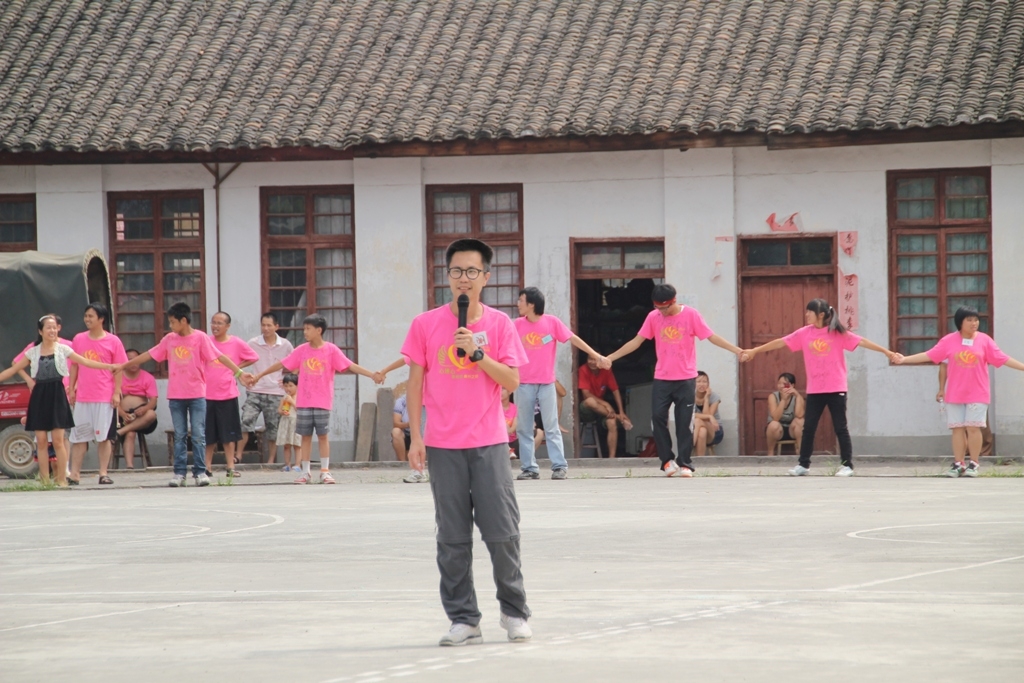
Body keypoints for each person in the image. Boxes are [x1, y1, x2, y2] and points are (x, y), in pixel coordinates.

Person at [400, 237, 532, 646]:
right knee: (452, 537)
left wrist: (477, 353)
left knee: (502, 531)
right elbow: (415, 383)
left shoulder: (500, 324)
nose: (463, 278)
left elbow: (512, 380)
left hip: (488, 441)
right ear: (447, 275)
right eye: (456, 271)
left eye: (472, 271)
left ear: (486, 277)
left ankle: (514, 612)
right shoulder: (425, 324)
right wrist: (416, 437)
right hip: (442, 444)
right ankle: (463, 618)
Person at [743, 298, 898, 477]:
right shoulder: (804, 333)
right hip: (815, 389)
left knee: (840, 427)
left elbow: (862, 342)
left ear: (821, 314)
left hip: (836, 388)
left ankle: (847, 465)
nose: (806, 314)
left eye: (810, 311)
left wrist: (886, 352)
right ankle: (803, 465)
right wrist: (754, 351)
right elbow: (780, 342)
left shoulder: (837, 333)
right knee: (808, 428)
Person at [606, 283, 743, 477]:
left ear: (674, 301)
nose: (661, 312)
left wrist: (737, 350)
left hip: (686, 379)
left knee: (684, 422)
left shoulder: (691, 315)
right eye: (658, 307)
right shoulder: (653, 317)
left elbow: (711, 337)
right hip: (662, 378)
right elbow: (636, 342)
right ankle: (667, 461)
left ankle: (685, 463)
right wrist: (611, 358)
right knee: (657, 418)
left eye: (665, 307)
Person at [121, 302, 247, 487]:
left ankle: (200, 472)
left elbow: (220, 356)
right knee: (180, 435)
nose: (170, 326)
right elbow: (149, 354)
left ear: (184, 321)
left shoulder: (200, 338)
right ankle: (179, 473)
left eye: (173, 322)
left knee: (198, 434)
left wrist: (239, 372)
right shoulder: (169, 339)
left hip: (197, 395)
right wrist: (122, 366)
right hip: (176, 396)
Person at [243, 313, 375, 484]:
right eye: (304, 328)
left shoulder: (331, 350)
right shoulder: (302, 350)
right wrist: (260, 375)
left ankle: (325, 471)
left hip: (322, 401)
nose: (305, 332)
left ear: (319, 330)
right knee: (305, 437)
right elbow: (282, 364)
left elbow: (349, 365)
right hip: (303, 402)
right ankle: (305, 472)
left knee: (323, 436)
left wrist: (372, 374)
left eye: (308, 329)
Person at [895, 306, 1024, 477]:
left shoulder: (984, 340)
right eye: (969, 320)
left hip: (978, 392)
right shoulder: (949, 341)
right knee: (957, 429)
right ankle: (958, 464)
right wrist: (904, 359)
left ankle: (974, 463)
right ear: (960, 322)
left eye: (976, 320)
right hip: (955, 393)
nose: (974, 323)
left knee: (973, 428)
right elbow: (930, 355)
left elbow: (1003, 358)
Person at [0, 314, 118, 487]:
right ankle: (45, 480)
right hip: (39, 395)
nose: (52, 330)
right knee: (41, 440)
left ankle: (62, 480)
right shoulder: (33, 352)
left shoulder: (63, 349)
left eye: (54, 327)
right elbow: (13, 369)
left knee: (58, 440)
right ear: (40, 331)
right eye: (48, 327)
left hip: (57, 394)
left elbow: (85, 361)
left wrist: (108, 366)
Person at [513, 287, 606, 480]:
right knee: (524, 427)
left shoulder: (552, 322)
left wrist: (595, 355)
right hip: (523, 384)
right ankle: (529, 468)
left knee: (551, 426)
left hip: (547, 384)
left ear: (531, 304)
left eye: (521, 300)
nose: (518, 304)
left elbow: (573, 339)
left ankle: (559, 466)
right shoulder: (516, 325)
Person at [66, 303, 128, 485]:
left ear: (101, 319)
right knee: (79, 436)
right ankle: (75, 474)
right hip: (83, 396)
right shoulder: (79, 339)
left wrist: (116, 392)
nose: (87, 319)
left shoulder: (113, 341)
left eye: (91, 316)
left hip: (104, 396)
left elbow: (119, 368)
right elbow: (74, 366)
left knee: (104, 437)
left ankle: (103, 473)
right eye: (86, 316)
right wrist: (72, 388)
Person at [201, 312, 258, 478]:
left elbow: (253, 357)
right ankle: (206, 467)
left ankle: (230, 467)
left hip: (227, 393)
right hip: (206, 394)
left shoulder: (236, 342)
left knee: (229, 434)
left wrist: (237, 368)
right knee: (208, 434)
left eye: (219, 323)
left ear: (228, 326)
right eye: (213, 322)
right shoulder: (206, 341)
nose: (215, 326)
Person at [239, 312, 294, 464]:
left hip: (276, 392)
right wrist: (241, 376)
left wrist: (287, 380)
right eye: (263, 325)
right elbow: (239, 361)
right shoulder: (253, 343)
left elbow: (295, 363)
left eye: (269, 325)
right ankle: (238, 456)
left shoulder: (285, 345)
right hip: (255, 390)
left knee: (273, 427)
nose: (266, 328)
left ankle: (271, 460)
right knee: (246, 421)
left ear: (276, 326)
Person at [577, 354, 630, 458]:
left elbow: (615, 390)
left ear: (601, 361)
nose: (592, 362)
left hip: (602, 410)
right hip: (588, 410)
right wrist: (607, 404)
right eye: (590, 359)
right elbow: (586, 394)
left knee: (612, 422)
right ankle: (618, 417)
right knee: (590, 401)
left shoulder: (606, 370)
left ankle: (611, 459)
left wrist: (621, 411)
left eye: (595, 359)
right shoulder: (583, 369)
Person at [938, 363, 993, 456]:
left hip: (977, 393)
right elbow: (943, 366)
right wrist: (941, 389)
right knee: (958, 427)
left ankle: (981, 454)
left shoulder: (979, 352)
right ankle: (962, 456)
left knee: (976, 426)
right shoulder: (950, 353)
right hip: (956, 393)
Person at [116, 349, 158, 469]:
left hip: (141, 416)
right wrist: (122, 414)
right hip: (121, 417)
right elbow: (113, 399)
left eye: (136, 360)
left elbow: (153, 401)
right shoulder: (118, 376)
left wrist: (145, 409)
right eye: (130, 360)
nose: (134, 363)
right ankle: (130, 466)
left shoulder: (148, 377)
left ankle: (120, 433)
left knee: (151, 414)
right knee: (130, 434)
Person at [765, 372, 805, 455]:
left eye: (784, 384)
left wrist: (797, 396)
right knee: (773, 424)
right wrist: (783, 400)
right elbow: (776, 418)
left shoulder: (797, 397)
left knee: (800, 421)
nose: (781, 386)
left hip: (791, 429)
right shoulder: (773, 396)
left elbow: (799, 415)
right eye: (779, 383)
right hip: (777, 430)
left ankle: (801, 453)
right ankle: (770, 453)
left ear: (792, 385)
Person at [692, 370, 723, 456]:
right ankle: (700, 461)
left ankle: (688, 447)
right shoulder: (690, 396)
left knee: (698, 420)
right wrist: (709, 417)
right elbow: (690, 415)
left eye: (704, 381)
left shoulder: (714, 397)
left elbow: (706, 418)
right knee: (702, 431)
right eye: (698, 381)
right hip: (697, 430)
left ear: (708, 384)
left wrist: (706, 398)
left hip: (715, 431)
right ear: (694, 383)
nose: (701, 384)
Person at [275, 373, 302, 472]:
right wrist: (282, 412)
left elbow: (299, 409)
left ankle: (298, 464)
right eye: (286, 386)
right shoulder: (284, 397)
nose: (288, 388)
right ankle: (287, 464)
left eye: (291, 386)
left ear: (297, 386)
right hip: (286, 422)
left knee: (297, 445)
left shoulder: (299, 397)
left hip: (295, 422)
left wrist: (291, 401)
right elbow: (279, 410)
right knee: (286, 445)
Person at [502, 388, 519, 459]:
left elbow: (514, 426)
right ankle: (509, 450)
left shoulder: (514, 408)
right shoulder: (494, 407)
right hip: (499, 441)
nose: (500, 392)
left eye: (502, 389)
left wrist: (508, 431)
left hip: (512, 440)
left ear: (509, 392)